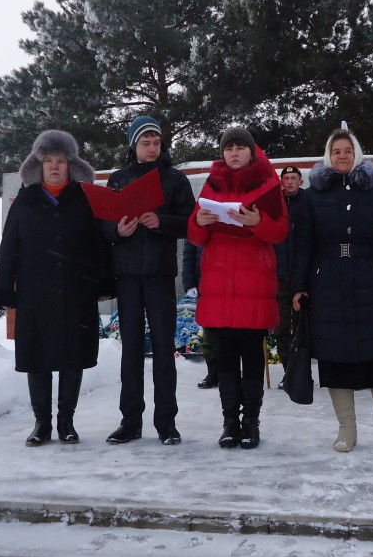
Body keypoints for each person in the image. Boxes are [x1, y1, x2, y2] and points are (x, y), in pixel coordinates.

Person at [291, 126, 373, 454]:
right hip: (327, 285)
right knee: (334, 359)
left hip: (368, 282)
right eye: (336, 151)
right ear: (328, 157)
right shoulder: (313, 196)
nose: (342, 156)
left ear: (356, 154)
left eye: (347, 151)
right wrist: (299, 287)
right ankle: (347, 429)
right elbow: (302, 245)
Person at [0, 130, 114, 447]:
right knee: (38, 359)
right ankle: (42, 424)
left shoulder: (85, 199)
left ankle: (66, 423)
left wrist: (103, 283)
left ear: (71, 165)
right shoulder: (25, 201)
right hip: (35, 295)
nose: (55, 166)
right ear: (39, 165)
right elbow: (9, 248)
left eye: (61, 160)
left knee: (73, 358)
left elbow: (99, 244)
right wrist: (4, 289)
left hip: (76, 293)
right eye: (49, 161)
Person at [188, 126, 288, 449]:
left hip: (253, 281)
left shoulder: (267, 183)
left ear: (251, 151)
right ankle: (230, 423)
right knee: (226, 358)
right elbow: (195, 236)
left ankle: (251, 423)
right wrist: (199, 223)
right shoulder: (212, 182)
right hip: (219, 282)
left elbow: (281, 231)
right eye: (228, 148)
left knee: (253, 356)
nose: (234, 153)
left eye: (240, 147)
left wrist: (258, 223)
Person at [103, 115, 195, 446]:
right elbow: (103, 223)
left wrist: (162, 221)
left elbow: (191, 222)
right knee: (130, 350)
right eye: (146, 143)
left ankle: (166, 423)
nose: (153, 148)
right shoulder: (118, 179)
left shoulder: (174, 179)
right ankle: (130, 422)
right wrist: (118, 230)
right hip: (127, 275)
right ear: (134, 145)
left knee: (163, 349)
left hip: (159, 274)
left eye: (157, 142)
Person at [273, 164, 304, 388]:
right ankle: (288, 372)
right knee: (282, 328)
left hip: (302, 276)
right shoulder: (274, 204)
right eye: (286, 178)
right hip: (279, 276)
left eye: (294, 178)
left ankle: (303, 371)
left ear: (301, 181)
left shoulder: (309, 202)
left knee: (304, 328)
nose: (290, 182)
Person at [182, 240, 218, 389]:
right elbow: (189, 251)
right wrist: (189, 281)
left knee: (231, 332)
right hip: (204, 279)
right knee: (209, 330)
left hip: (228, 278)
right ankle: (213, 372)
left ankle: (230, 372)